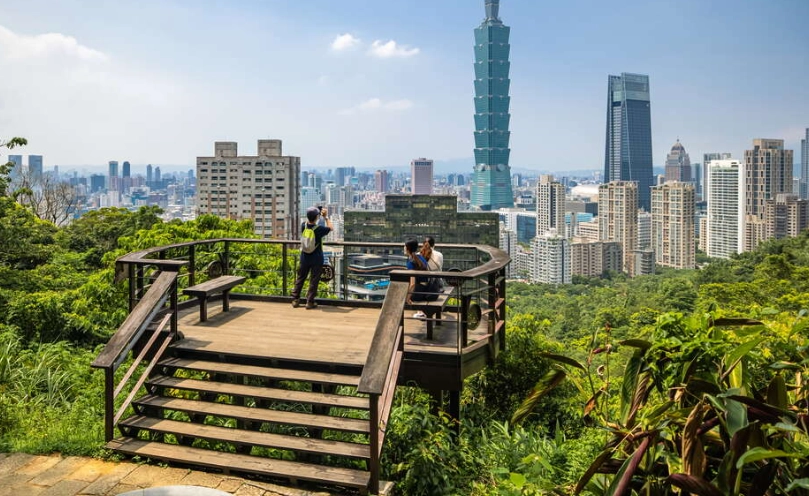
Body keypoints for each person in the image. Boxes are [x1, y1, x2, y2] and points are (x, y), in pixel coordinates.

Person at [292, 206, 333, 309]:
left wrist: (315, 212)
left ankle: (295, 300)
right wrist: (326, 217)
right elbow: (331, 228)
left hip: (304, 257)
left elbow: (309, 220)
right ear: (316, 217)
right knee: (314, 281)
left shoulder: (303, 226)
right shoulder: (319, 229)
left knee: (300, 278)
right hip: (316, 258)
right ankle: (309, 302)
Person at [405, 238, 438, 317]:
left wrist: (407, 298)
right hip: (428, 289)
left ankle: (420, 312)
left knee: (403, 292)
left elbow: (412, 284)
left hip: (420, 293)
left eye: (404, 246)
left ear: (407, 248)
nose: (403, 248)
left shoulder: (411, 262)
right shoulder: (421, 257)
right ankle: (420, 311)